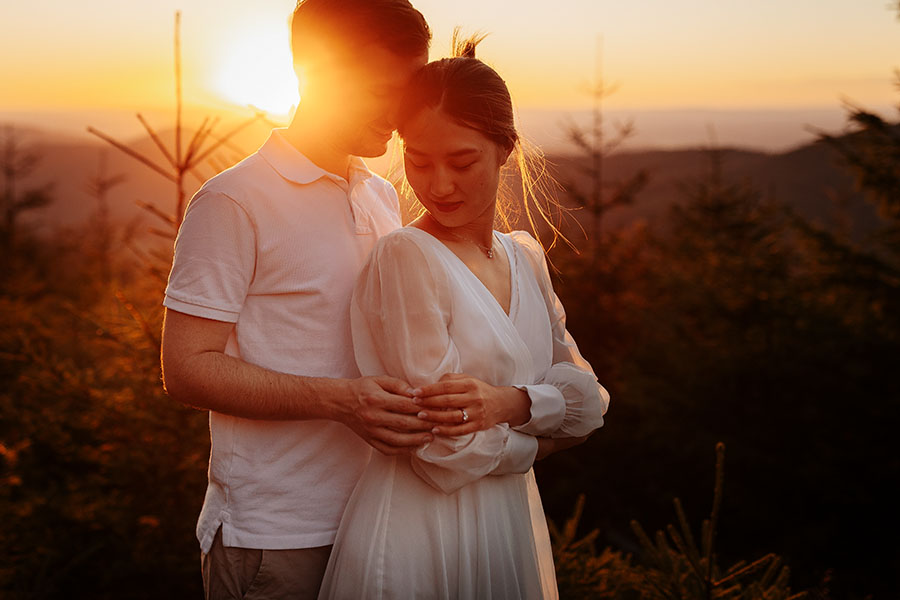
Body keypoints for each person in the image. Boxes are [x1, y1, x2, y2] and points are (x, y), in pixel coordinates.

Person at [161, 2, 564, 597]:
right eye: (382, 89)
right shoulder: (234, 202)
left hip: (391, 523)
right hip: (282, 534)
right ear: (313, 71)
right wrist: (340, 400)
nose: (401, 111)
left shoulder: (378, 193)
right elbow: (186, 369)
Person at [318, 36, 610, 599]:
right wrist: (541, 436)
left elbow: (591, 399)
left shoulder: (525, 256)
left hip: (507, 525)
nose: (439, 184)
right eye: (419, 162)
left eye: (462, 161)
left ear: (505, 149)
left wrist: (510, 403)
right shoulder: (406, 255)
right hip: (421, 532)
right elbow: (442, 450)